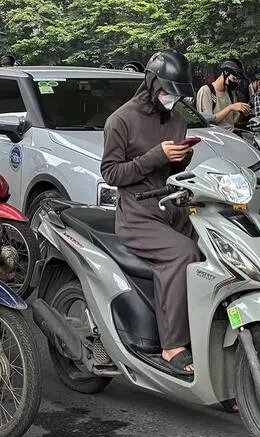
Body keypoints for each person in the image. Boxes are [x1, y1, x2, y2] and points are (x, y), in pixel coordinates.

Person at [101, 49, 200, 375]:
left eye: (177, 93)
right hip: (137, 214)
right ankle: (172, 347)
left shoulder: (177, 118)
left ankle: (202, 333)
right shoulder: (121, 120)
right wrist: (156, 156)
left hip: (173, 206)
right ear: (152, 82)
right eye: (167, 91)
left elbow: (174, 165)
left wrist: (180, 156)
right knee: (182, 254)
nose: (172, 98)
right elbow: (112, 174)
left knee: (213, 253)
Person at [196, 58, 251, 129]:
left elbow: (233, 122)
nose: (236, 82)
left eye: (238, 80)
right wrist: (230, 107)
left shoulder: (230, 93)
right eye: (234, 79)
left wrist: (242, 112)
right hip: (216, 136)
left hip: (231, 134)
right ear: (225, 73)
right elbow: (208, 121)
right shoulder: (207, 91)